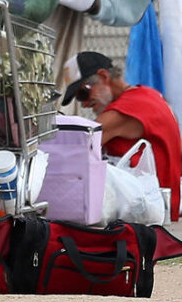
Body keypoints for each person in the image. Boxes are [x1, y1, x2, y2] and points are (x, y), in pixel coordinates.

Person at [61, 51, 182, 221]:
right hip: (159, 205)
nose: (86, 104)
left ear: (103, 76)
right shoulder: (149, 95)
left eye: (83, 94)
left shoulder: (125, 110)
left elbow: (74, 150)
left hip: (148, 212)